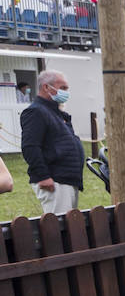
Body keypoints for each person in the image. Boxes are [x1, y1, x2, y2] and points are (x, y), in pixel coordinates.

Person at [19, 70, 84, 215]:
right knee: (58, 229)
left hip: (67, 180)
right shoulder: (36, 112)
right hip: (54, 181)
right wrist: (43, 176)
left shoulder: (57, 113)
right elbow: (30, 146)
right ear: (46, 87)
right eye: (63, 88)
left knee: (70, 227)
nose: (66, 92)